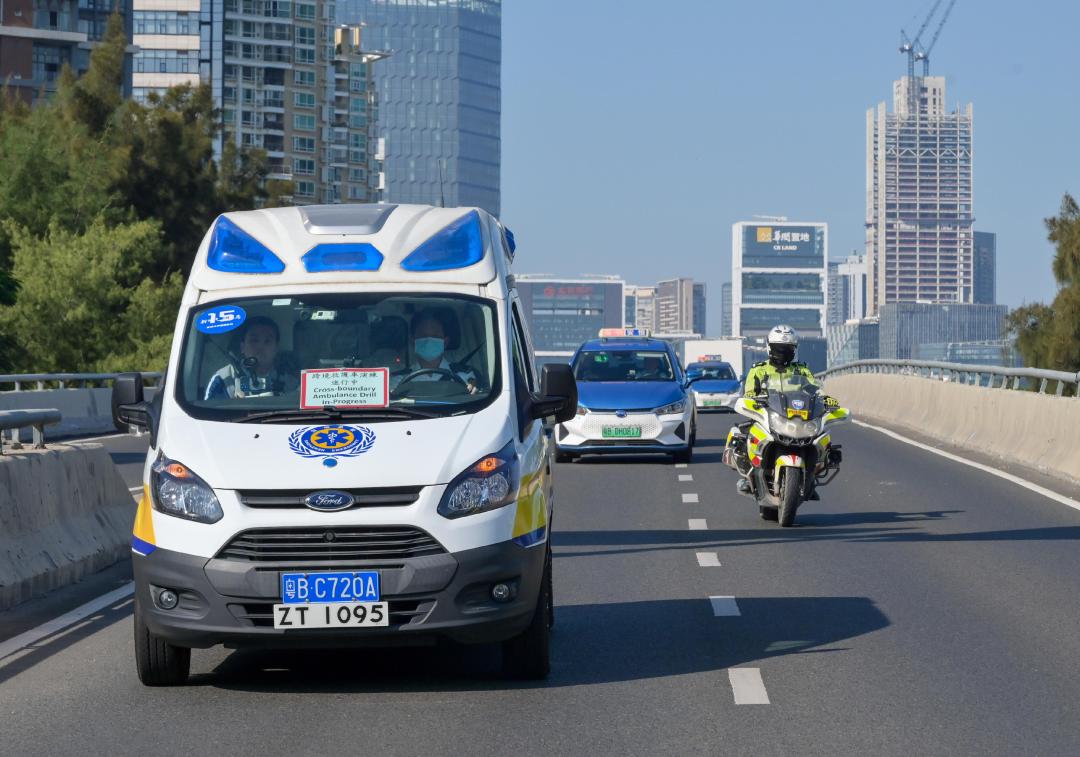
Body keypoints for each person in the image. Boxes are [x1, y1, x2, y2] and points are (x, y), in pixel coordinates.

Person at [734, 325, 824, 496]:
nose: (782, 352)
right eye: (778, 348)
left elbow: (817, 391)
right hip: (768, 416)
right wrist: (754, 399)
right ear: (770, 347)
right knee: (749, 435)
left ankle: (811, 477)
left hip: (797, 420)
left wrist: (828, 402)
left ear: (794, 349)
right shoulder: (759, 369)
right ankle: (748, 477)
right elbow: (748, 393)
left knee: (820, 439)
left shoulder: (802, 370)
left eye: (787, 348)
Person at [205, 316, 296, 399]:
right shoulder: (224, 379)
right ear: (242, 347)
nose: (260, 347)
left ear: (276, 348)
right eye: (254, 340)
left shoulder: (290, 381)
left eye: (267, 341)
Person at [391, 310, 478, 393]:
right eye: (423, 335)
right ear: (412, 341)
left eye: (435, 335)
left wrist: (474, 385)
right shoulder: (399, 380)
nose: (429, 340)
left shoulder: (465, 375)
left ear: (445, 342)